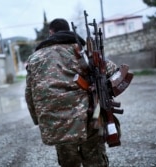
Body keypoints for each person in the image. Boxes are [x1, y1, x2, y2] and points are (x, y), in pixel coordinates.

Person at [25, 18, 118, 167]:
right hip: (89, 117)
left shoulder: (35, 58)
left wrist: (39, 120)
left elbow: (29, 93)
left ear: (51, 32)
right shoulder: (83, 50)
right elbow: (113, 71)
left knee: (69, 162)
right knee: (95, 161)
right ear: (68, 29)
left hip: (56, 122)